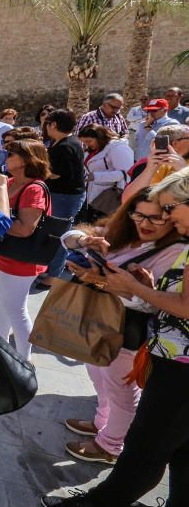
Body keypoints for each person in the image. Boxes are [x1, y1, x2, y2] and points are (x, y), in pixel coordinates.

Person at [41, 169, 189, 507]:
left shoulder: (176, 246)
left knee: (148, 442)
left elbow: (182, 306)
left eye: (169, 208)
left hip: (178, 363)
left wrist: (123, 286)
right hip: (168, 352)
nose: (165, 217)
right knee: (180, 445)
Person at [59, 189, 185, 464]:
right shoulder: (123, 235)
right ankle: (101, 422)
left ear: (172, 219)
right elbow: (67, 238)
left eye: (156, 218)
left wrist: (97, 280)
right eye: (138, 214)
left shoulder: (174, 251)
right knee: (98, 375)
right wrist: (84, 239)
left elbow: (150, 304)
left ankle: (110, 446)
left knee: (121, 391)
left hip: (127, 331)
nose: (146, 223)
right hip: (99, 321)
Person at [0, 139, 53, 362]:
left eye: (12, 153)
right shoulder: (9, 181)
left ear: (26, 160)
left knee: (16, 310)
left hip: (20, 260)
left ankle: (24, 363)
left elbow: (25, 229)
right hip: (0, 254)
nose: (6, 156)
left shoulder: (34, 188)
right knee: (4, 307)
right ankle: (1, 353)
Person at [40, 109, 87, 285]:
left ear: (53, 125)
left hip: (65, 196)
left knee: (60, 235)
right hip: (65, 195)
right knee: (57, 233)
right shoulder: (69, 142)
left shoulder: (64, 147)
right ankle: (51, 270)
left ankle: (53, 275)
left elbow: (56, 174)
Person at [78, 124, 135, 222]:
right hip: (93, 195)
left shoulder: (117, 148)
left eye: (89, 141)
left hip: (109, 196)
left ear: (98, 137)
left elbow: (125, 173)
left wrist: (95, 176)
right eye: (84, 142)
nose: (87, 144)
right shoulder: (94, 149)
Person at [123, 123, 189, 200]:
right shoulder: (155, 164)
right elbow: (127, 200)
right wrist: (150, 169)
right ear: (175, 143)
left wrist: (184, 171)